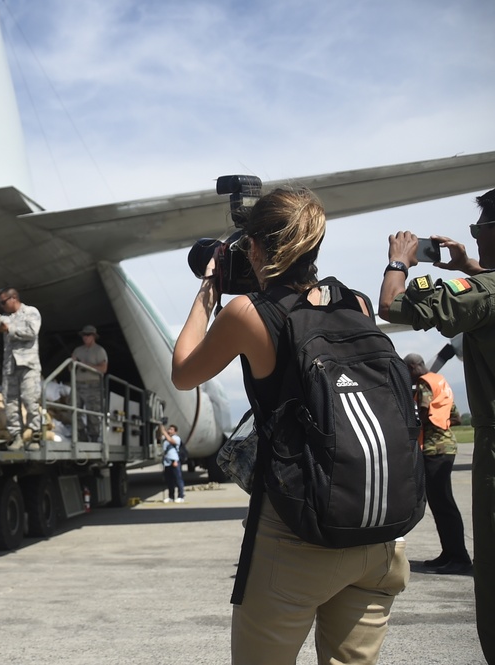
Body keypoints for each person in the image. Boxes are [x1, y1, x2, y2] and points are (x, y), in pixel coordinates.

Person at [172, 187, 409, 664]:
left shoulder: (250, 314)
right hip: (378, 535)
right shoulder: (356, 303)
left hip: (297, 536)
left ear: (254, 248)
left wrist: (209, 288)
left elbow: (183, 371)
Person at [379, 188, 495, 662]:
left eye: (478, 228)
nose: (475, 237)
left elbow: (392, 306)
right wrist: (471, 268)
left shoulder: (485, 295)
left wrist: (399, 262)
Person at [403, 353, 472, 575]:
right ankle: (450, 553)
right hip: (447, 446)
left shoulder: (424, 384)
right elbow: (456, 418)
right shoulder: (441, 383)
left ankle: (459, 558)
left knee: (443, 504)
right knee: (443, 503)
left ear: (414, 367)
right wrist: (440, 424)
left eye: (407, 370)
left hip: (434, 449)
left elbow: (420, 415)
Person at [0, 287, 42, 451]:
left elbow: (31, 332)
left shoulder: (31, 312)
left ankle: (35, 435)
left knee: (30, 400)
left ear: (13, 298)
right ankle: (16, 436)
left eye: (3, 302)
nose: (2, 306)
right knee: (9, 402)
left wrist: (9, 329)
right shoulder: (7, 318)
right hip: (10, 366)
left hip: (28, 365)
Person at [71, 325, 108, 442]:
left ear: (93, 337)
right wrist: (72, 363)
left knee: (92, 414)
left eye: (88, 335)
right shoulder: (78, 350)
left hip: (93, 385)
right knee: (72, 410)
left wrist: (86, 365)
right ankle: (81, 434)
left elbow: (103, 369)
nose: (85, 338)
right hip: (78, 384)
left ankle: (94, 437)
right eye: (84, 335)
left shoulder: (99, 351)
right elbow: (70, 368)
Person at [159, 424, 184, 503]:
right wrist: (160, 430)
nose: (169, 430)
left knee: (178, 479)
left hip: (174, 461)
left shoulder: (176, 438)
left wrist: (164, 432)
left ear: (175, 431)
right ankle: (171, 497)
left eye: (171, 429)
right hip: (167, 462)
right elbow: (159, 438)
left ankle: (181, 496)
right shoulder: (165, 439)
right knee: (169, 481)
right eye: (168, 429)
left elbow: (171, 441)